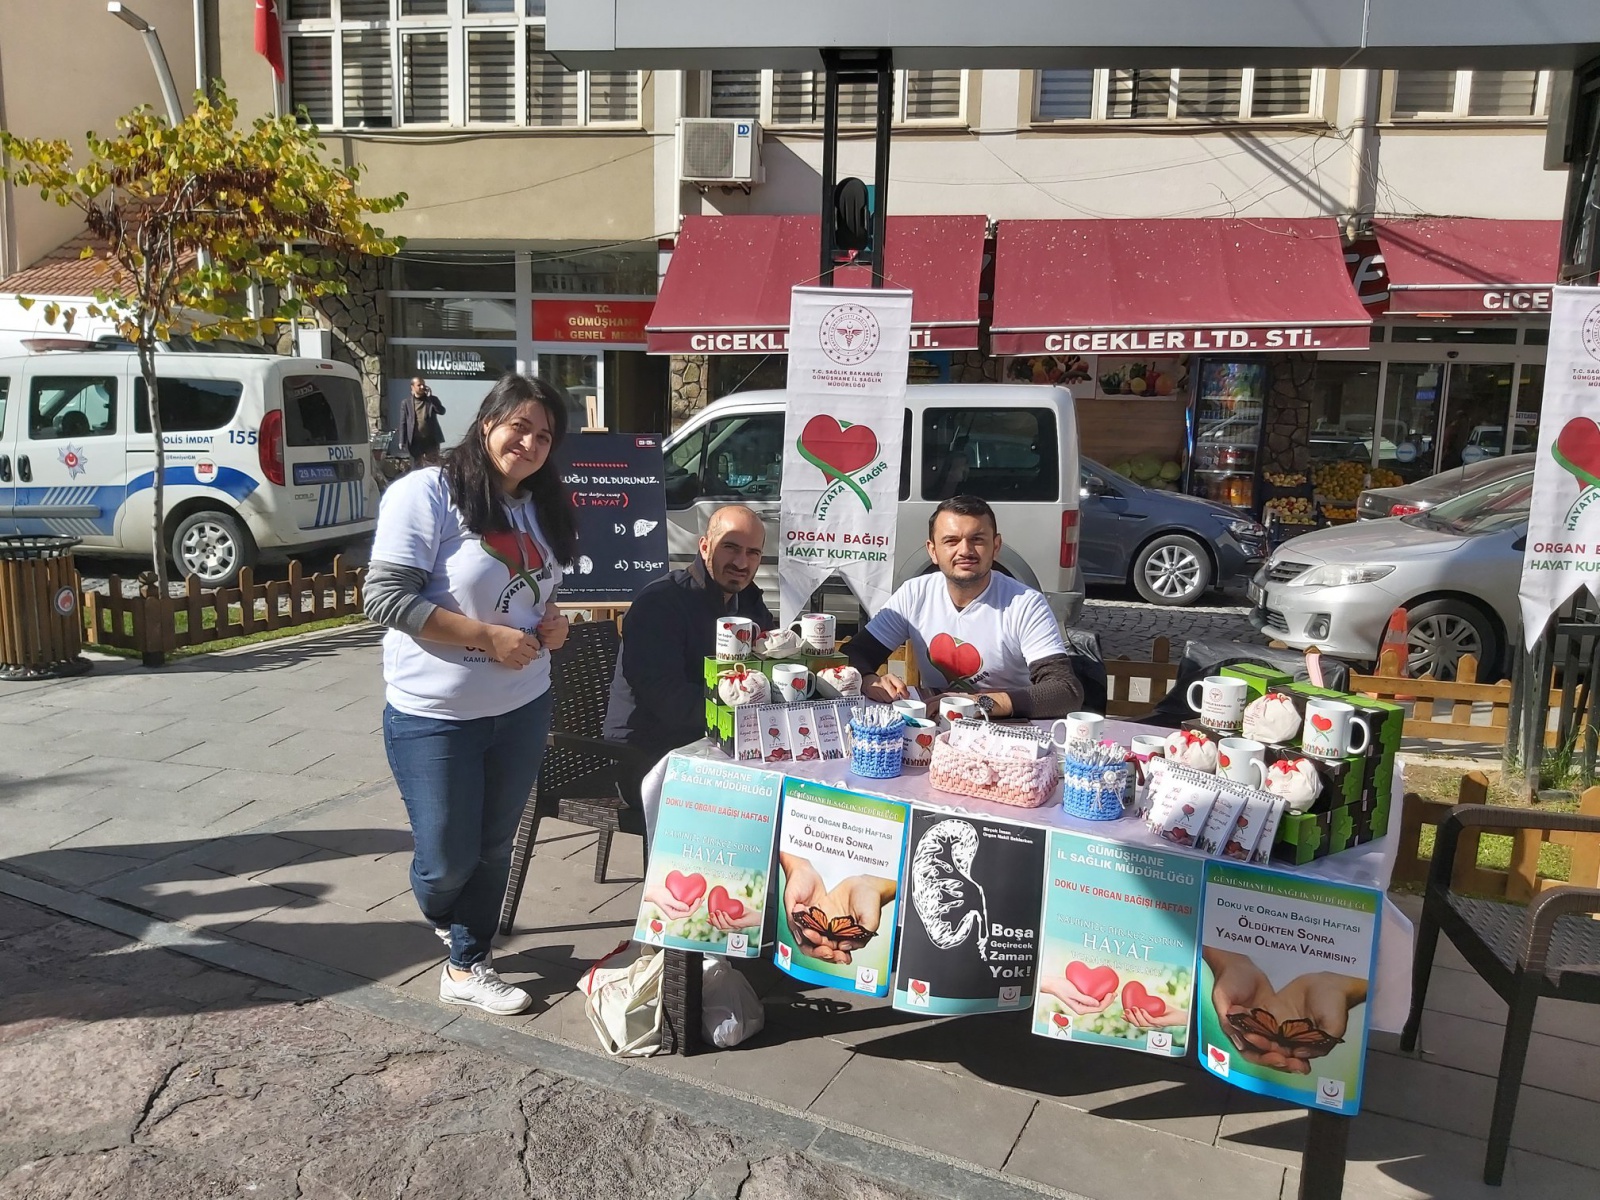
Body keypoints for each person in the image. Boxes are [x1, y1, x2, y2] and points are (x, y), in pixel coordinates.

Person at [363, 373, 577, 1015]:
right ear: (488, 422)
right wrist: (486, 637)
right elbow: (384, 597)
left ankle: (467, 962)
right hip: (436, 715)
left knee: (492, 845)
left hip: (522, 706)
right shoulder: (426, 494)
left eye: (545, 435)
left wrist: (554, 622)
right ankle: (441, 908)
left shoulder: (539, 503)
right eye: (521, 426)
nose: (531, 443)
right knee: (444, 860)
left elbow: (537, 588)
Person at [845, 495, 1083, 719]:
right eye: (951, 541)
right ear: (932, 550)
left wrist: (977, 703)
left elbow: (1065, 691)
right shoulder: (914, 593)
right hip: (936, 725)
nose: (965, 551)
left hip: (1005, 728)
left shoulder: (1025, 603)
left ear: (996, 547)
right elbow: (854, 654)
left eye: (977, 540)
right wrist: (866, 679)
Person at [604, 505, 776, 763]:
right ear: (705, 546)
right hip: (649, 752)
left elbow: (768, 665)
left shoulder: (749, 600)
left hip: (722, 739)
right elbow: (665, 696)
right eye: (731, 547)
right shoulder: (660, 602)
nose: (741, 563)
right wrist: (740, 718)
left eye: (752, 553)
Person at [400, 376, 447, 464]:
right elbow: (403, 423)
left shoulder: (432, 400)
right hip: (415, 440)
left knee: (433, 464)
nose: (422, 387)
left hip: (431, 440)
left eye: (423, 385)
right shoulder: (406, 403)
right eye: (419, 385)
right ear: (412, 387)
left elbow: (442, 411)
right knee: (416, 466)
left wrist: (431, 399)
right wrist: (402, 441)